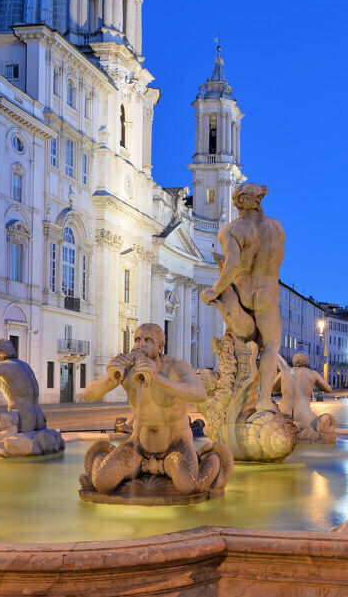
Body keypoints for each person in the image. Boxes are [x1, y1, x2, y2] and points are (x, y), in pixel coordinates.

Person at [81, 323, 227, 496]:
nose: (140, 344)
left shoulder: (176, 367)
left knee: (189, 486)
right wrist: (110, 380)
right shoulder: (127, 368)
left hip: (175, 444)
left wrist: (157, 380)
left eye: (147, 340)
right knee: (102, 482)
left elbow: (200, 394)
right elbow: (88, 395)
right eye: (137, 339)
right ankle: (106, 457)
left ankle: (212, 459)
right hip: (140, 445)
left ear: (159, 347)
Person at [200, 183, 285, 413]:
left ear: (237, 202)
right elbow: (276, 262)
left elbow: (233, 265)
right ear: (259, 201)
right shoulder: (277, 227)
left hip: (242, 293)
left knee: (239, 348)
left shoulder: (230, 230)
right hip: (267, 292)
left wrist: (214, 291)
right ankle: (264, 400)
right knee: (270, 347)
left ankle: (237, 401)